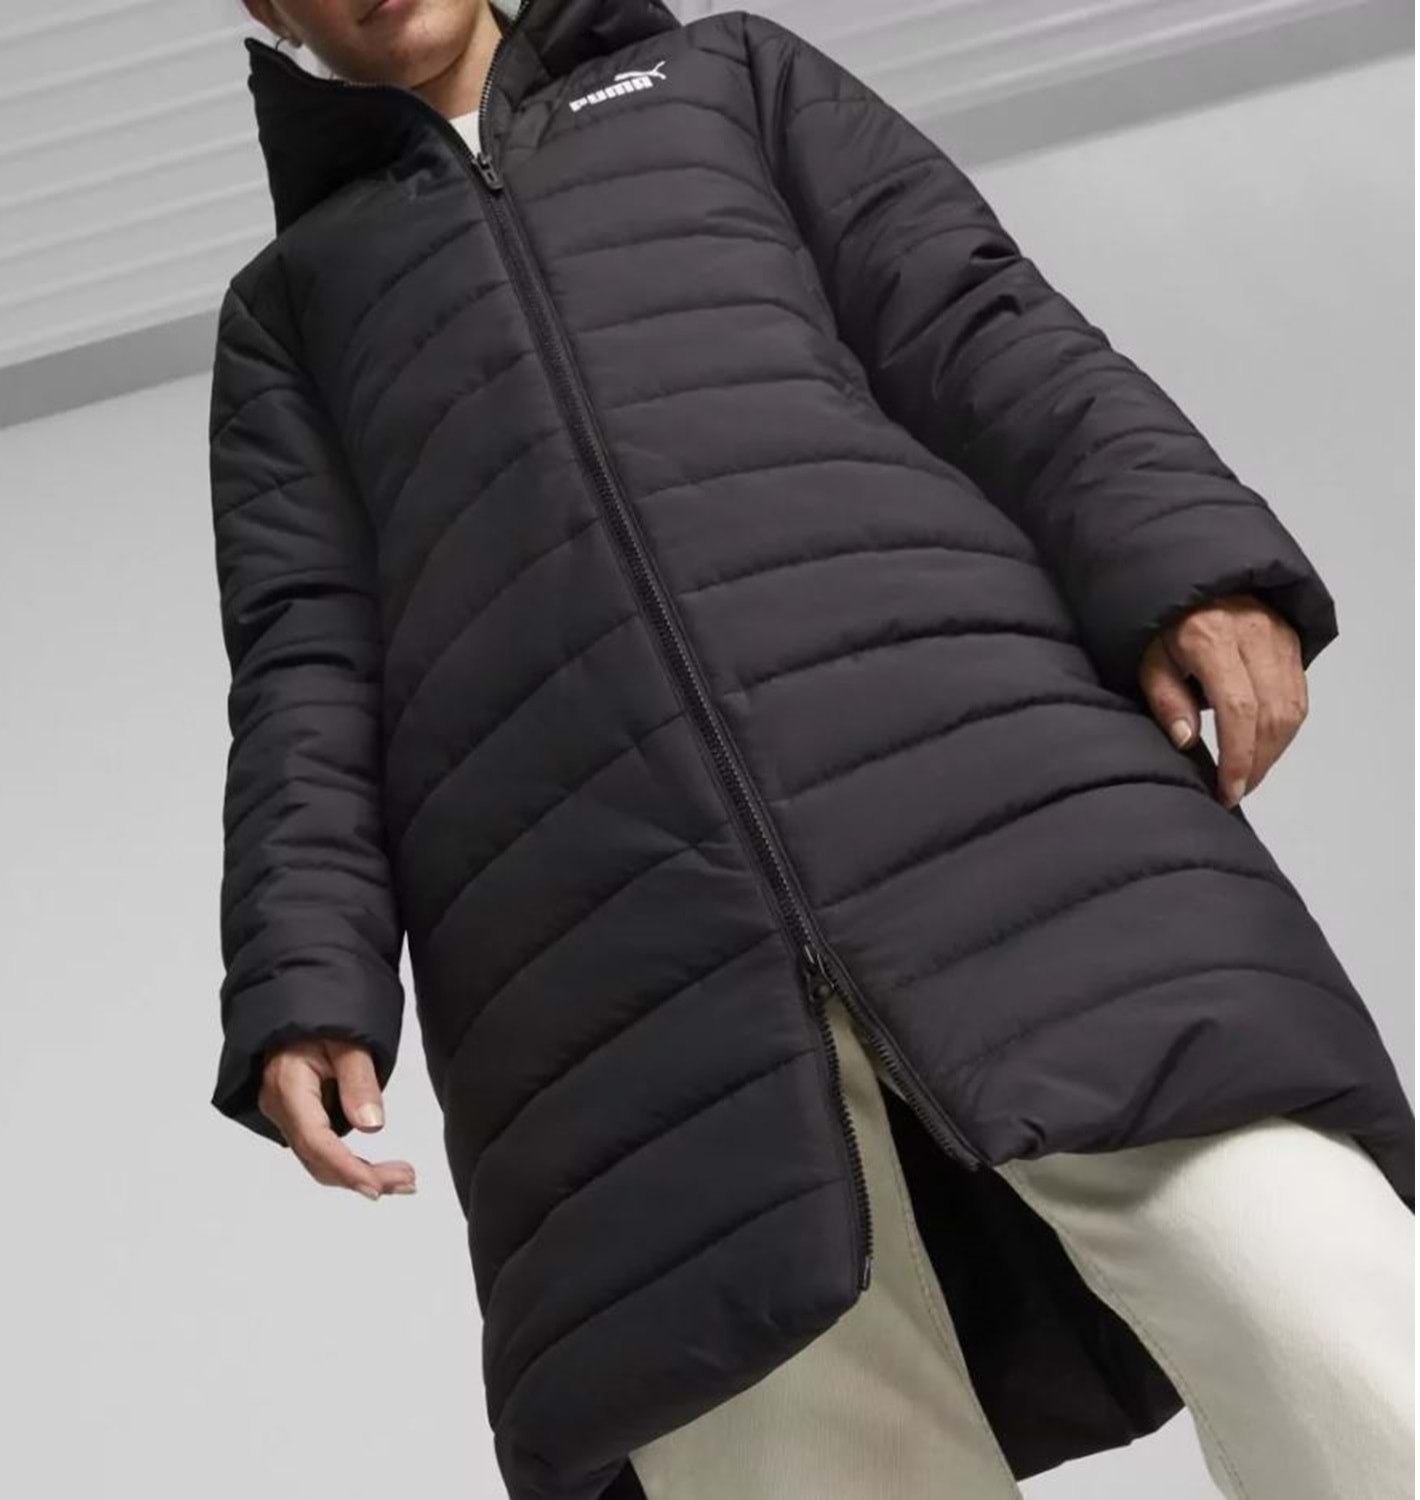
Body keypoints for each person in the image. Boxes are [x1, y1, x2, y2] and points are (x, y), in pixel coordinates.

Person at [212, 2, 1415, 1497]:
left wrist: (1194, 565)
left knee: (1331, 1321)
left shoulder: (727, 79)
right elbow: (305, 663)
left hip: (1008, 809)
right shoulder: (295, 307)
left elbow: (974, 323)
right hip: (607, 979)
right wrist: (304, 977)